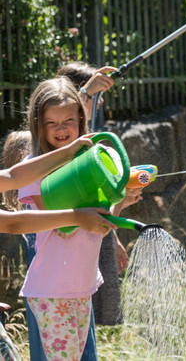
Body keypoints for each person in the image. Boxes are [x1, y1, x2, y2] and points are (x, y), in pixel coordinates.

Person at [15, 78, 121, 360]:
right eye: (52, 123)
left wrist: (122, 197)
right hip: (53, 288)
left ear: (81, 119)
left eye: (69, 120)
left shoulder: (87, 161)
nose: (61, 129)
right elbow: (62, 224)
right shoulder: (34, 168)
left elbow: (98, 223)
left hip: (79, 284)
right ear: (38, 124)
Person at [56, 62, 129, 327]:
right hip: (68, 239)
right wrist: (87, 93)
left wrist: (116, 233)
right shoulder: (59, 140)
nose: (97, 104)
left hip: (92, 231)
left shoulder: (90, 132)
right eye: (93, 97)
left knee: (91, 316)